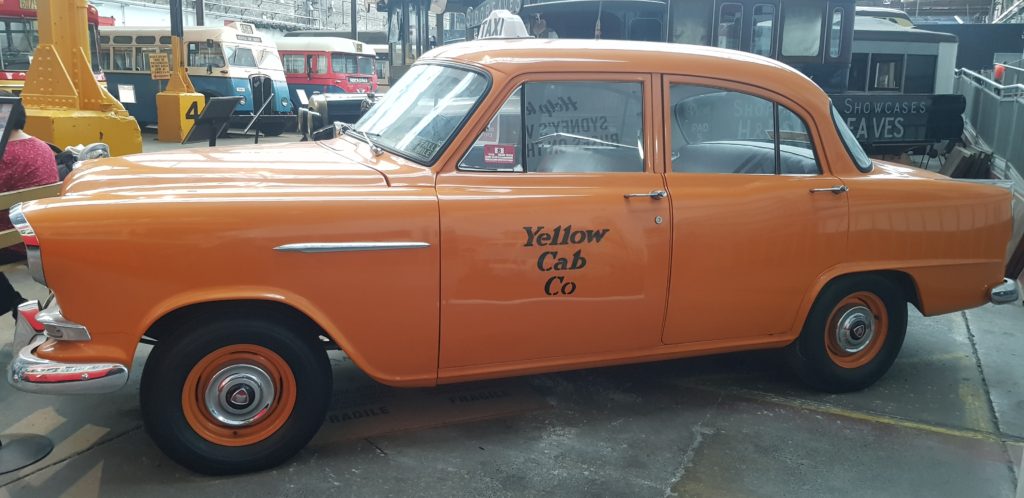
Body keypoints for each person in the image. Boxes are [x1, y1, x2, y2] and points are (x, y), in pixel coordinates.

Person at [0, 92, 58, 318]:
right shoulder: (43, 147)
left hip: (11, 242)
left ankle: (15, 304)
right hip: (38, 233)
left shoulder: (5, 154)